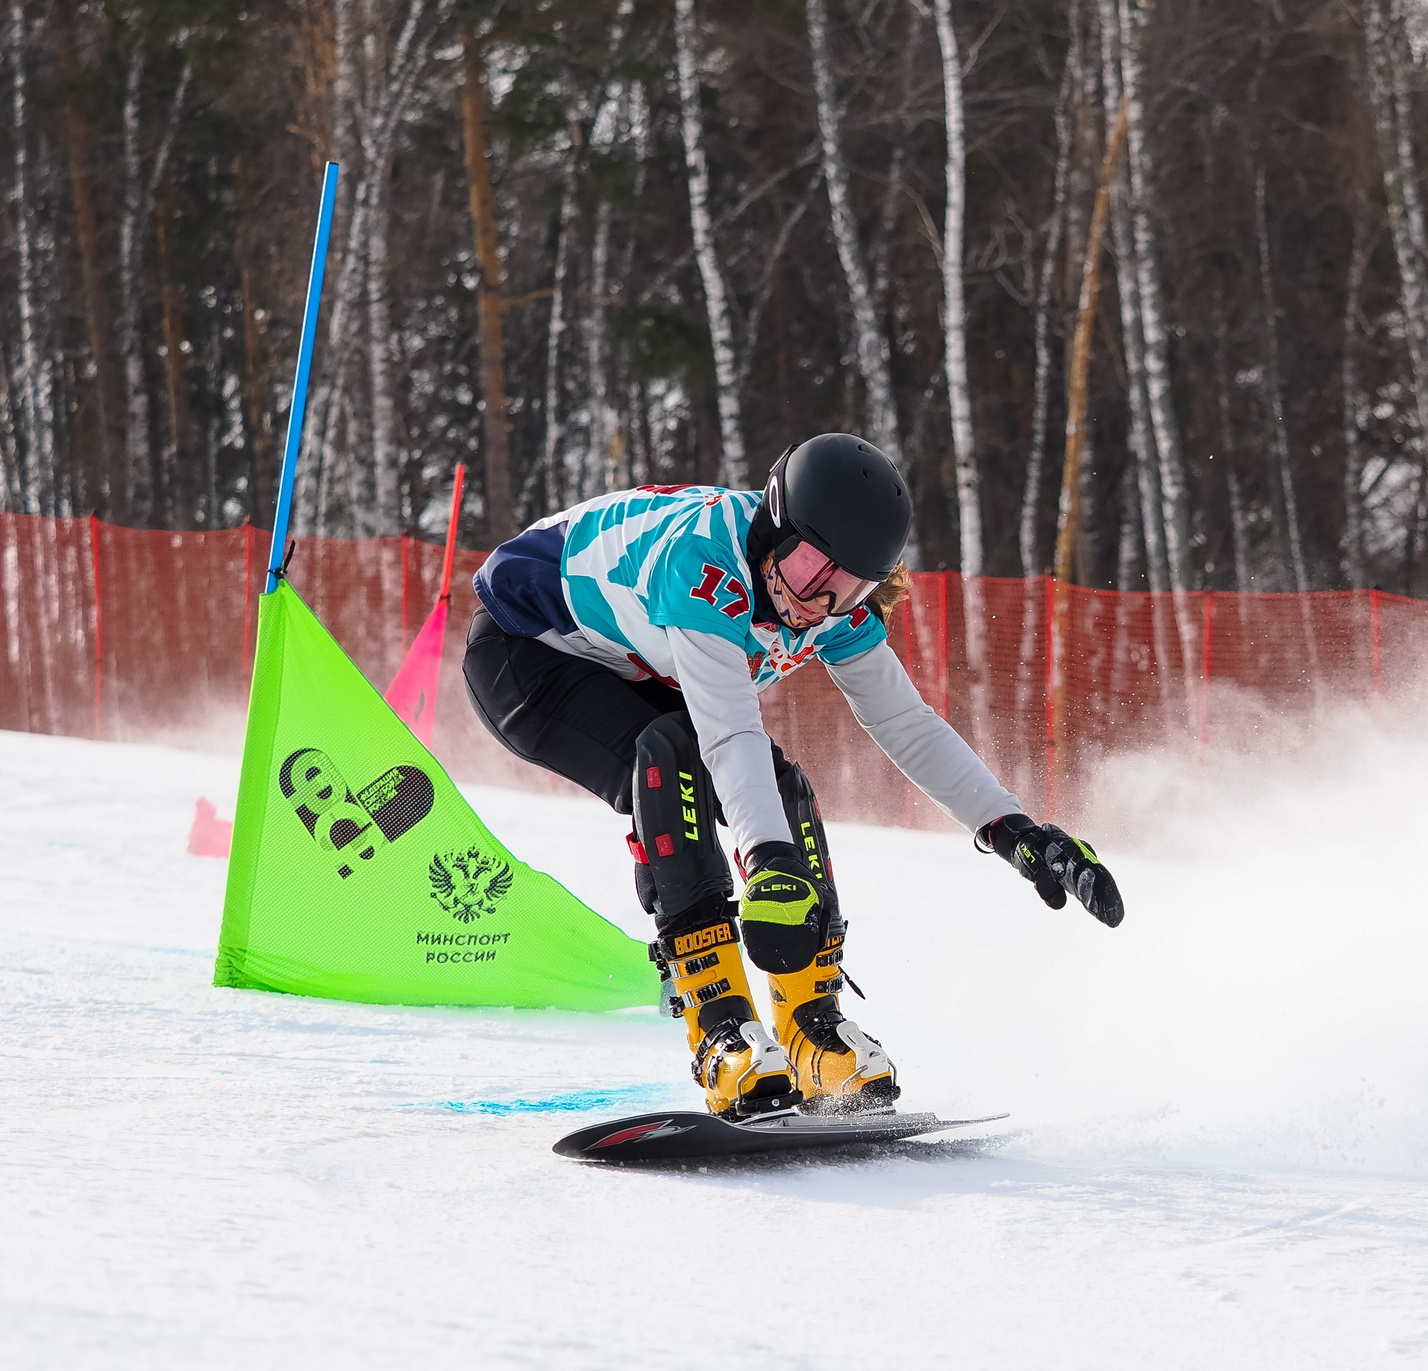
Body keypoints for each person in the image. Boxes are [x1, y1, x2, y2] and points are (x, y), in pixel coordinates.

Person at [461, 433, 1123, 1121]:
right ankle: (717, 1023)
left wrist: (1009, 826)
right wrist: (770, 860)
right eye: (811, 569)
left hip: (628, 658)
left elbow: (906, 723)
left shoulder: (830, 607)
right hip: (526, 652)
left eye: (848, 586)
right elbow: (728, 732)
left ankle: (812, 1027)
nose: (818, 602)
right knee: (671, 756)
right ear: (773, 526)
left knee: (780, 789)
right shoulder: (707, 564)